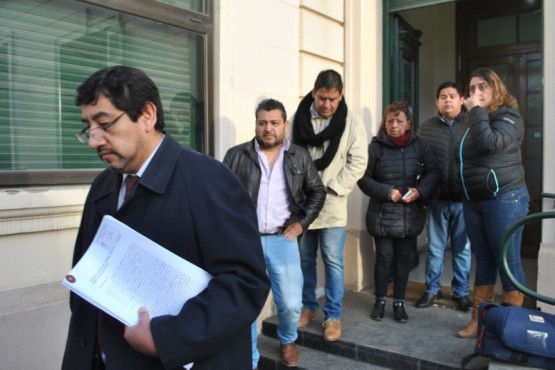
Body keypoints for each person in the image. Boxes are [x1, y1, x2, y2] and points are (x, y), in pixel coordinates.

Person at [62, 65, 270, 370]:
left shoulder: (209, 180)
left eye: (104, 124)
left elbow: (245, 283)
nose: (94, 140)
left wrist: (166, 337)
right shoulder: (103, 186)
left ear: (147, 115)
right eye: (88, 128)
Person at [223, 98, 326, 369]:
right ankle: (249, 355)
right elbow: (221, 196)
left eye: (274, 123)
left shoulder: (299, 156)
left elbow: (317, 191)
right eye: (263, 123)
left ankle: (288, 339)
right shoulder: (236, 156)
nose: (268, 128)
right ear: (256, 124)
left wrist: (302, 222)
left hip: (283, 239)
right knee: (245, 303)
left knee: (291, 304)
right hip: (246, 241)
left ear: (285, 125)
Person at [291, 69, 368, 341]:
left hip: (333, 206)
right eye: (322, 98)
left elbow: (358, 161)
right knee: (304, 259)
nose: (327, 105)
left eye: (333, 99)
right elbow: (289, 157)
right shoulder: (297, 120)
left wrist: (334, 189)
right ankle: (308, 307)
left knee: (334, 262)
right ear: (314, 93)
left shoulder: (352, 123)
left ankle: (333, 316)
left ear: (341, 96)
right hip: (302, 206)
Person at [456, 68, 529, 338]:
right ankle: (478, 321)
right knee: (484, 261)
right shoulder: (472, 120)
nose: (476, 93)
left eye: (483, 87)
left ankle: (515, 327)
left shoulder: (509, 117)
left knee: (506, 261)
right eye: (472, 88)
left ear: (496, 90)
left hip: (505, 199)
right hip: (474, 201)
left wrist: (475, 112)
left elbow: (490, 144)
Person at [357, 101, 439, 323]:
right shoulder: (375, 147)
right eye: (390, 120)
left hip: (409, 215)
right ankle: (380, 301)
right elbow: (363, 178)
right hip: (383, 214)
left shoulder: (419, 146)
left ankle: (399, 304)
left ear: (408, 123)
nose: (394, 125)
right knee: (383, 259)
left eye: (399, 121)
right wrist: (386, 191)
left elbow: (433, 173)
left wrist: (419, 191)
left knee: (404, 260)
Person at [415, 82, 472, 312]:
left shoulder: (471, 125)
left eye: (452, 96)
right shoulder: (426, 129)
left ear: (461, 99)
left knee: (462, 249)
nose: (447, 100)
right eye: (443, 97)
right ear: (437, 102)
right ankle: (432, 289)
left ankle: (461, 292)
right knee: (435, 248)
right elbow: (417, 162)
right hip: (437, 199)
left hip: (464, 199)